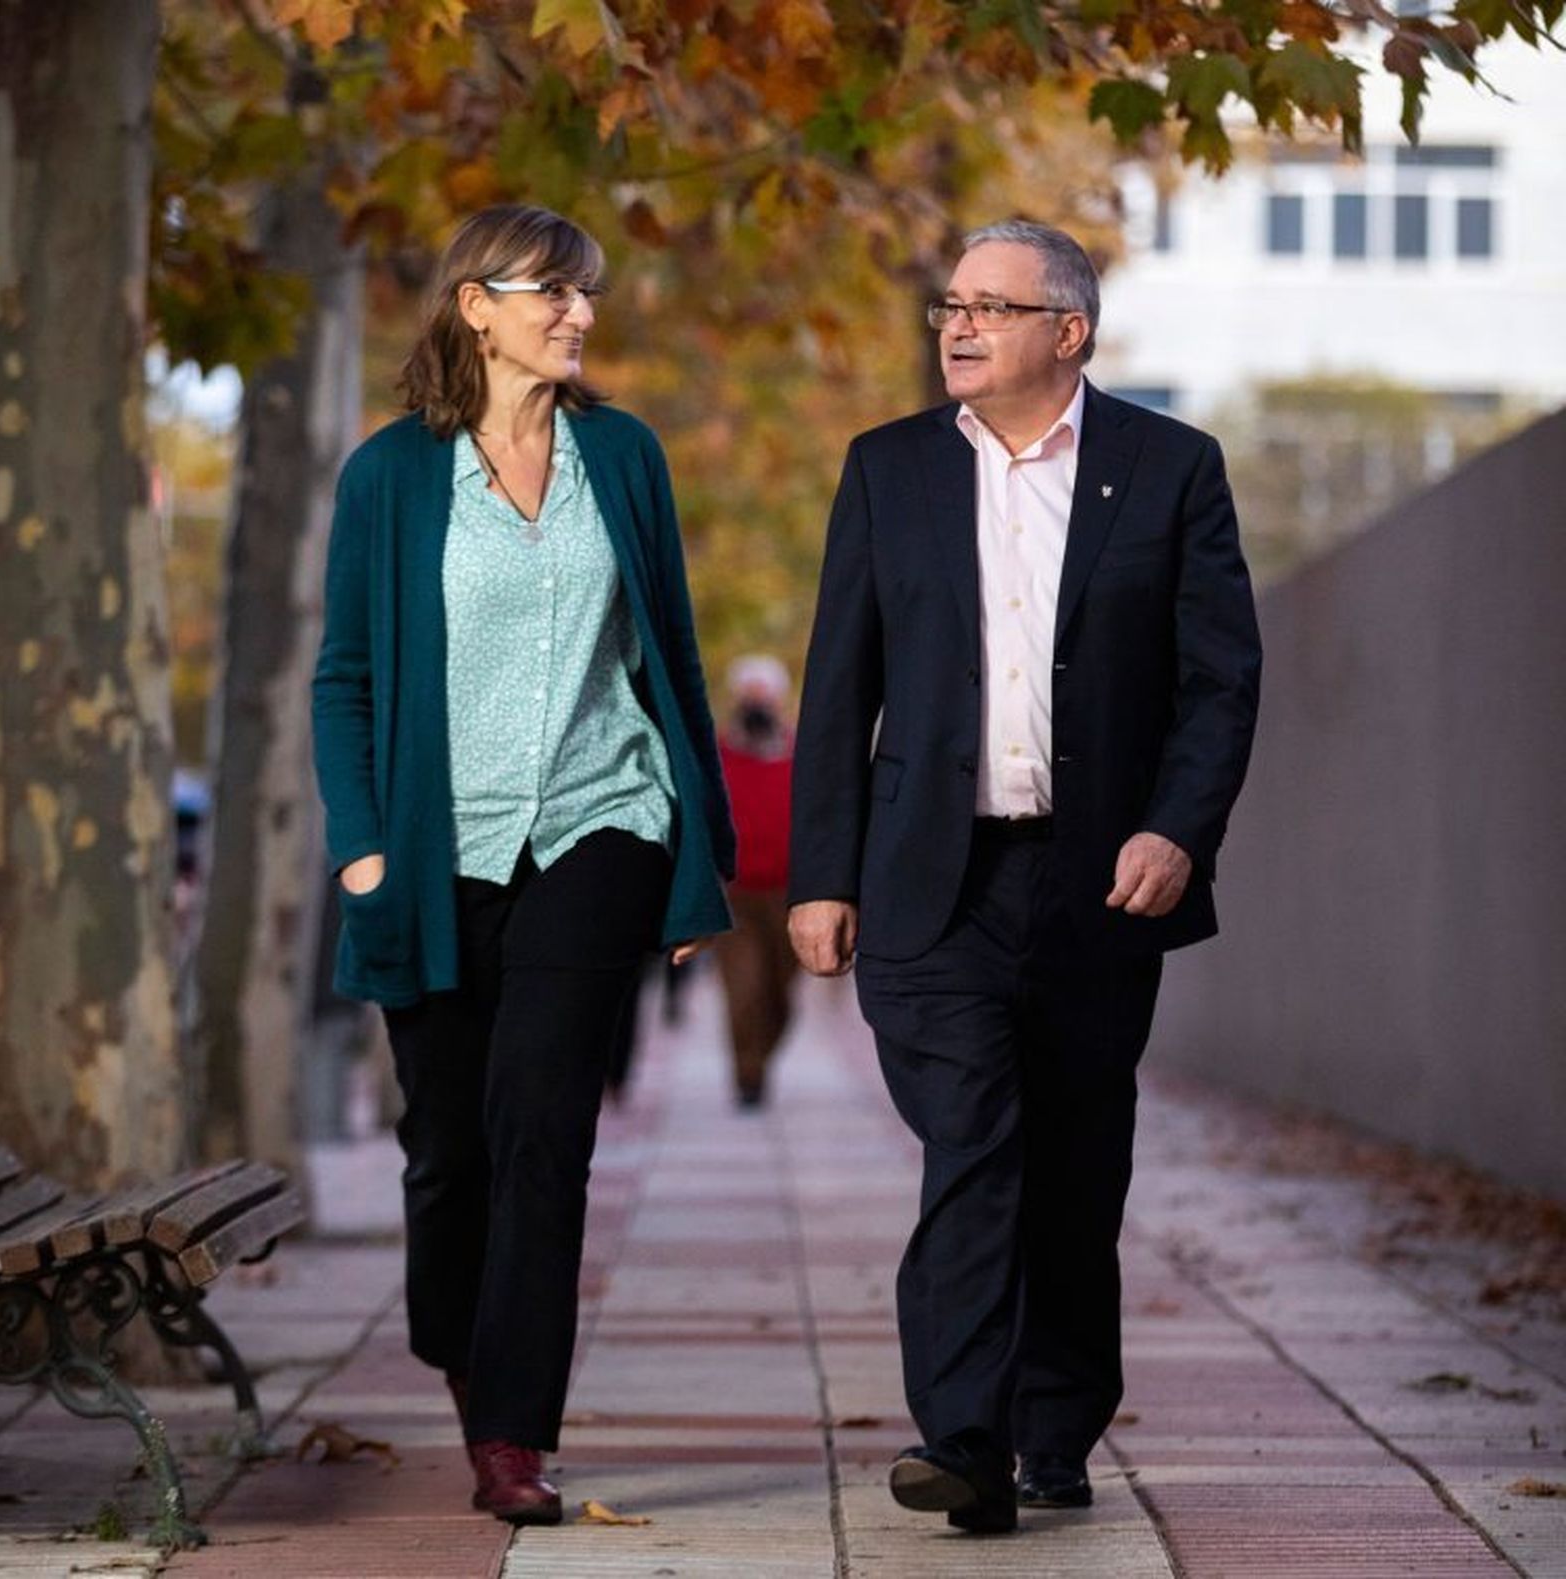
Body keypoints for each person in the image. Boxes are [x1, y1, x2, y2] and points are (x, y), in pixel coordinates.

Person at [787, 219, 1261, 1534]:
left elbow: (1220, 680)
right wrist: (821, 873)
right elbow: (842, 686)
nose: (960, 323)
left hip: (1099, 881)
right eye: (952, 302)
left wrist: (1177, 828)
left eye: (994, 305)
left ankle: (1055, 1421)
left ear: (1072, 330)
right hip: (931, 880)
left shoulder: (1169, 469)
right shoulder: (888, 470)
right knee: (976, 1138)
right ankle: (967, 1436)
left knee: (1072, 1156)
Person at [311, 203, 734, 1526]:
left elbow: (669, 652)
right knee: (448, 1149)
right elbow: (346, 680)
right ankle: (461, 1340)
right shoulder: (392, 473)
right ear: (475, 305)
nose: (577, 313)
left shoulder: (625, 454)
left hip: (602, 826)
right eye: (549, 291)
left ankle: (513, 1432)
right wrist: (366, 851)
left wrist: (692, 852)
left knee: (545, 1129)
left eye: (585, 293)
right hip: (438, 853)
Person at [713, 654, 798, 1107]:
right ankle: (748, 1072)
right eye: (751, 695)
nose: (757, 703)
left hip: (789, 895)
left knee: (780, 996)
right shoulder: (719, 753)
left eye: (765, 695)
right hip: (737, 893)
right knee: (744, 989)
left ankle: (760, 1055)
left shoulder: (800, 752)